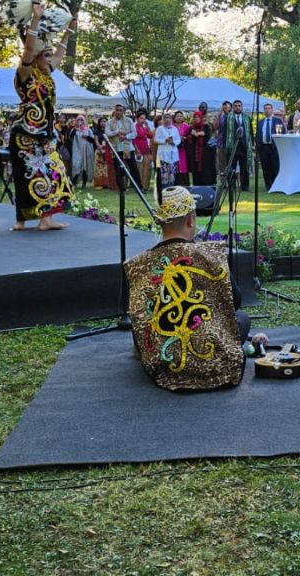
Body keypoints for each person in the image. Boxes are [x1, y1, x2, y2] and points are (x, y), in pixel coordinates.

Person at [123, 186, 249, 391]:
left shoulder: (137, 264)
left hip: (163, 361)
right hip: (210, 352)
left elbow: (136, 313)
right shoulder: (210, 255)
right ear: (191, 220)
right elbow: (235, 301)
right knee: (242, 319)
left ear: (161, 222)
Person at [6, 0, 74, 230]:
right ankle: (24, 220)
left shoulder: (47, 74)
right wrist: (36, 18)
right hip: (25, 133)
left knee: (53, 171)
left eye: (49, 54)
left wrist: (70, 29)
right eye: (45, 55)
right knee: (28, 175)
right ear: (35, 56)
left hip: (44, 134)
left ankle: (44, 219)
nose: (50, 58)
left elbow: (61, 53)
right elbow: (27, 50)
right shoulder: (25, 73)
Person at [105, 103, 141, 192]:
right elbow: (107, 133)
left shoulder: (129, 120)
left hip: (128, 147)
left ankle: (139, 187)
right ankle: (122, 188)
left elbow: (134, 133)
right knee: (118, 168)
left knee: (133, 167)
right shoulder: (109, 122)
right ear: (114, 110)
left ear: (123, 111)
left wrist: (126, 137)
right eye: (117, 110)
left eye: (121, 110)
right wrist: (117, 131)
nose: (118, 112)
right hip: (116, 147)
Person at [222, 99, 253, 190]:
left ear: (242, 107)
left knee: (244, 168)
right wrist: (225, 146)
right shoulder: (228, 118)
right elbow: (224, 133)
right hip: (231, 147)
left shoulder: (247, 118)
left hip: (244, 146)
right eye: (235, 106)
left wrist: (252, 144)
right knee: (231, 168)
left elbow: (250, 131)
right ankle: (231, 186)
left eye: (239, 106)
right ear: (233, 107)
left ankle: (244, 186)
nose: (237, 107)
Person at [255, 102, 284, 190]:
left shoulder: (277, 121)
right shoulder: (260, 122)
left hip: (274, 147)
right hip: (263, 147)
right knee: (265, 167)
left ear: (272, 110)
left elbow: (282, 133)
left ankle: (277, 185)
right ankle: (268, 185)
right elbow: (257, 135)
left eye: (269, 108)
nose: (267, 110)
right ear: (264, 111)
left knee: (275, 166)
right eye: (266, 109)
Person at [153, 112, 182, 190]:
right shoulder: (160, 128)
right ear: (163, 119)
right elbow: (156, 140)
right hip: (163, 155)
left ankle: (171, 189)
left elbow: (178, 140)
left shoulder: (175, 129)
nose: (168, 120)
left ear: (172, 120)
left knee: (172, 174)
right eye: (166, 118)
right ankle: (164, 190)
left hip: (173, 155)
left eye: (169, 118)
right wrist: (164, 140)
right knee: (164, 174)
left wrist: (173, 142)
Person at [186, 110, 215, 186]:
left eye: (198, 117)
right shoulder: (191, 127)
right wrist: (194, 135)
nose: (196, 118)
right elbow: (189, 139)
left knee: (205, 169)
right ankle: (196, 185)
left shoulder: (205, 126)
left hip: (204, 153)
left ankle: (206, 185)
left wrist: (197, 134)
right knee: (195, 169)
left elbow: (208, 136)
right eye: (195, 117)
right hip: (194, 153)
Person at [69, 115, 96, 188]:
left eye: (82, 120)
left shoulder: (88, 130)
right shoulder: (75, 130)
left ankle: (84, 183)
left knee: (85, 166)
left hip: (86, 151)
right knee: (77, 166)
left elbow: (93, 140)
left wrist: (86, 137)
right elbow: (70, 137)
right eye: (78, 120)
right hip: (78, 151)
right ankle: (74, 182)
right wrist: (75, 128)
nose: (80, 121)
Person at [133, 108, 155, 189]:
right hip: (138, 150)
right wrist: (137, 151)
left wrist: (148, 127)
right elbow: (133, 140)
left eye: (144, 118)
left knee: (147, 168)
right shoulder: (134, 127)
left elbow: (150, 135)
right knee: (140, 169)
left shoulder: (144, 127)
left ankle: (146, 186)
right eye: (141, 118)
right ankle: (140, 186)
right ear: (137, 118)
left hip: (146, 150)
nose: (143, 120)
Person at [173, 110, 191, 186]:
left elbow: (190, 136)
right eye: (177, 116)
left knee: (183, 166)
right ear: (174, 117)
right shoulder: (171, 126)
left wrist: (184, 138)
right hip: (173, 149)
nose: (179, 117)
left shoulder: (186, 126)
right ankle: (175, 183)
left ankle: (184, 183)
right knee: (175, 165)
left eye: (181, 116)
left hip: (183, 149)